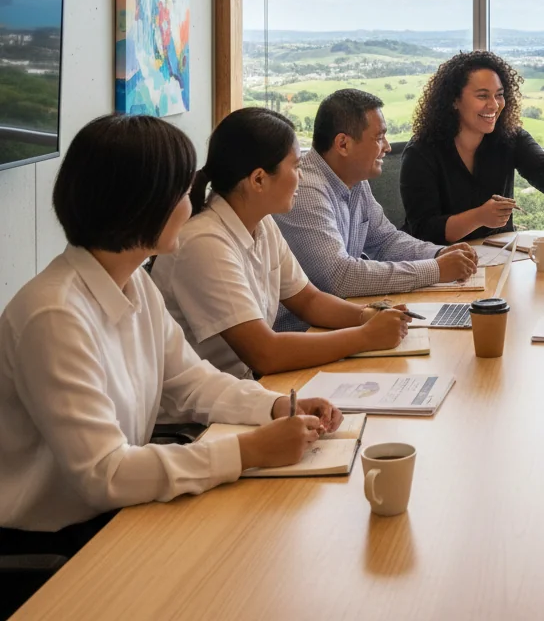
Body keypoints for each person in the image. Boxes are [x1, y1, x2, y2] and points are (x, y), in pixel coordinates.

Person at [0, 115, 340, 560]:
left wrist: (273, 406)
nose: (190, 205)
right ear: (139, 203)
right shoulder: (53, 315)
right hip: (55, 542)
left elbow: (192, 381)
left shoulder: (133, 284)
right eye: (182, 193)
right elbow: (105, 473)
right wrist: (248, 450)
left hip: (115, 512)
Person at [151, 108, 410, 379]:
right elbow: (265, 354)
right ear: (259, 179)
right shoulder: (204, 242)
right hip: (197, 415)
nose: (301, 177)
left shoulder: (261, 223)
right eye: (297, 166)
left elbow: (308, 300)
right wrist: (364, 337)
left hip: (241, 390)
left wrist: (369, 315)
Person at [275, 88, 478, 304]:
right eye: (379, 137)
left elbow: (385, 241)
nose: (388, 147)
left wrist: (438, 254)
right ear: (343, 144)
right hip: (305, 331)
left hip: (343, 318)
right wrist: (435, 269)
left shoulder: (355, 178)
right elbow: (340, 277)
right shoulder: (305, 190)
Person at [400, 51, 544, 245]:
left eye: (499, 95)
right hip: (440, 264)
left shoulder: (509, 137)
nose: (495, 105)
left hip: (498, 258)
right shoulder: (421, 153)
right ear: (454, 100)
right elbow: (424, 231)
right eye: (482, 96)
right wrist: (478, 217)